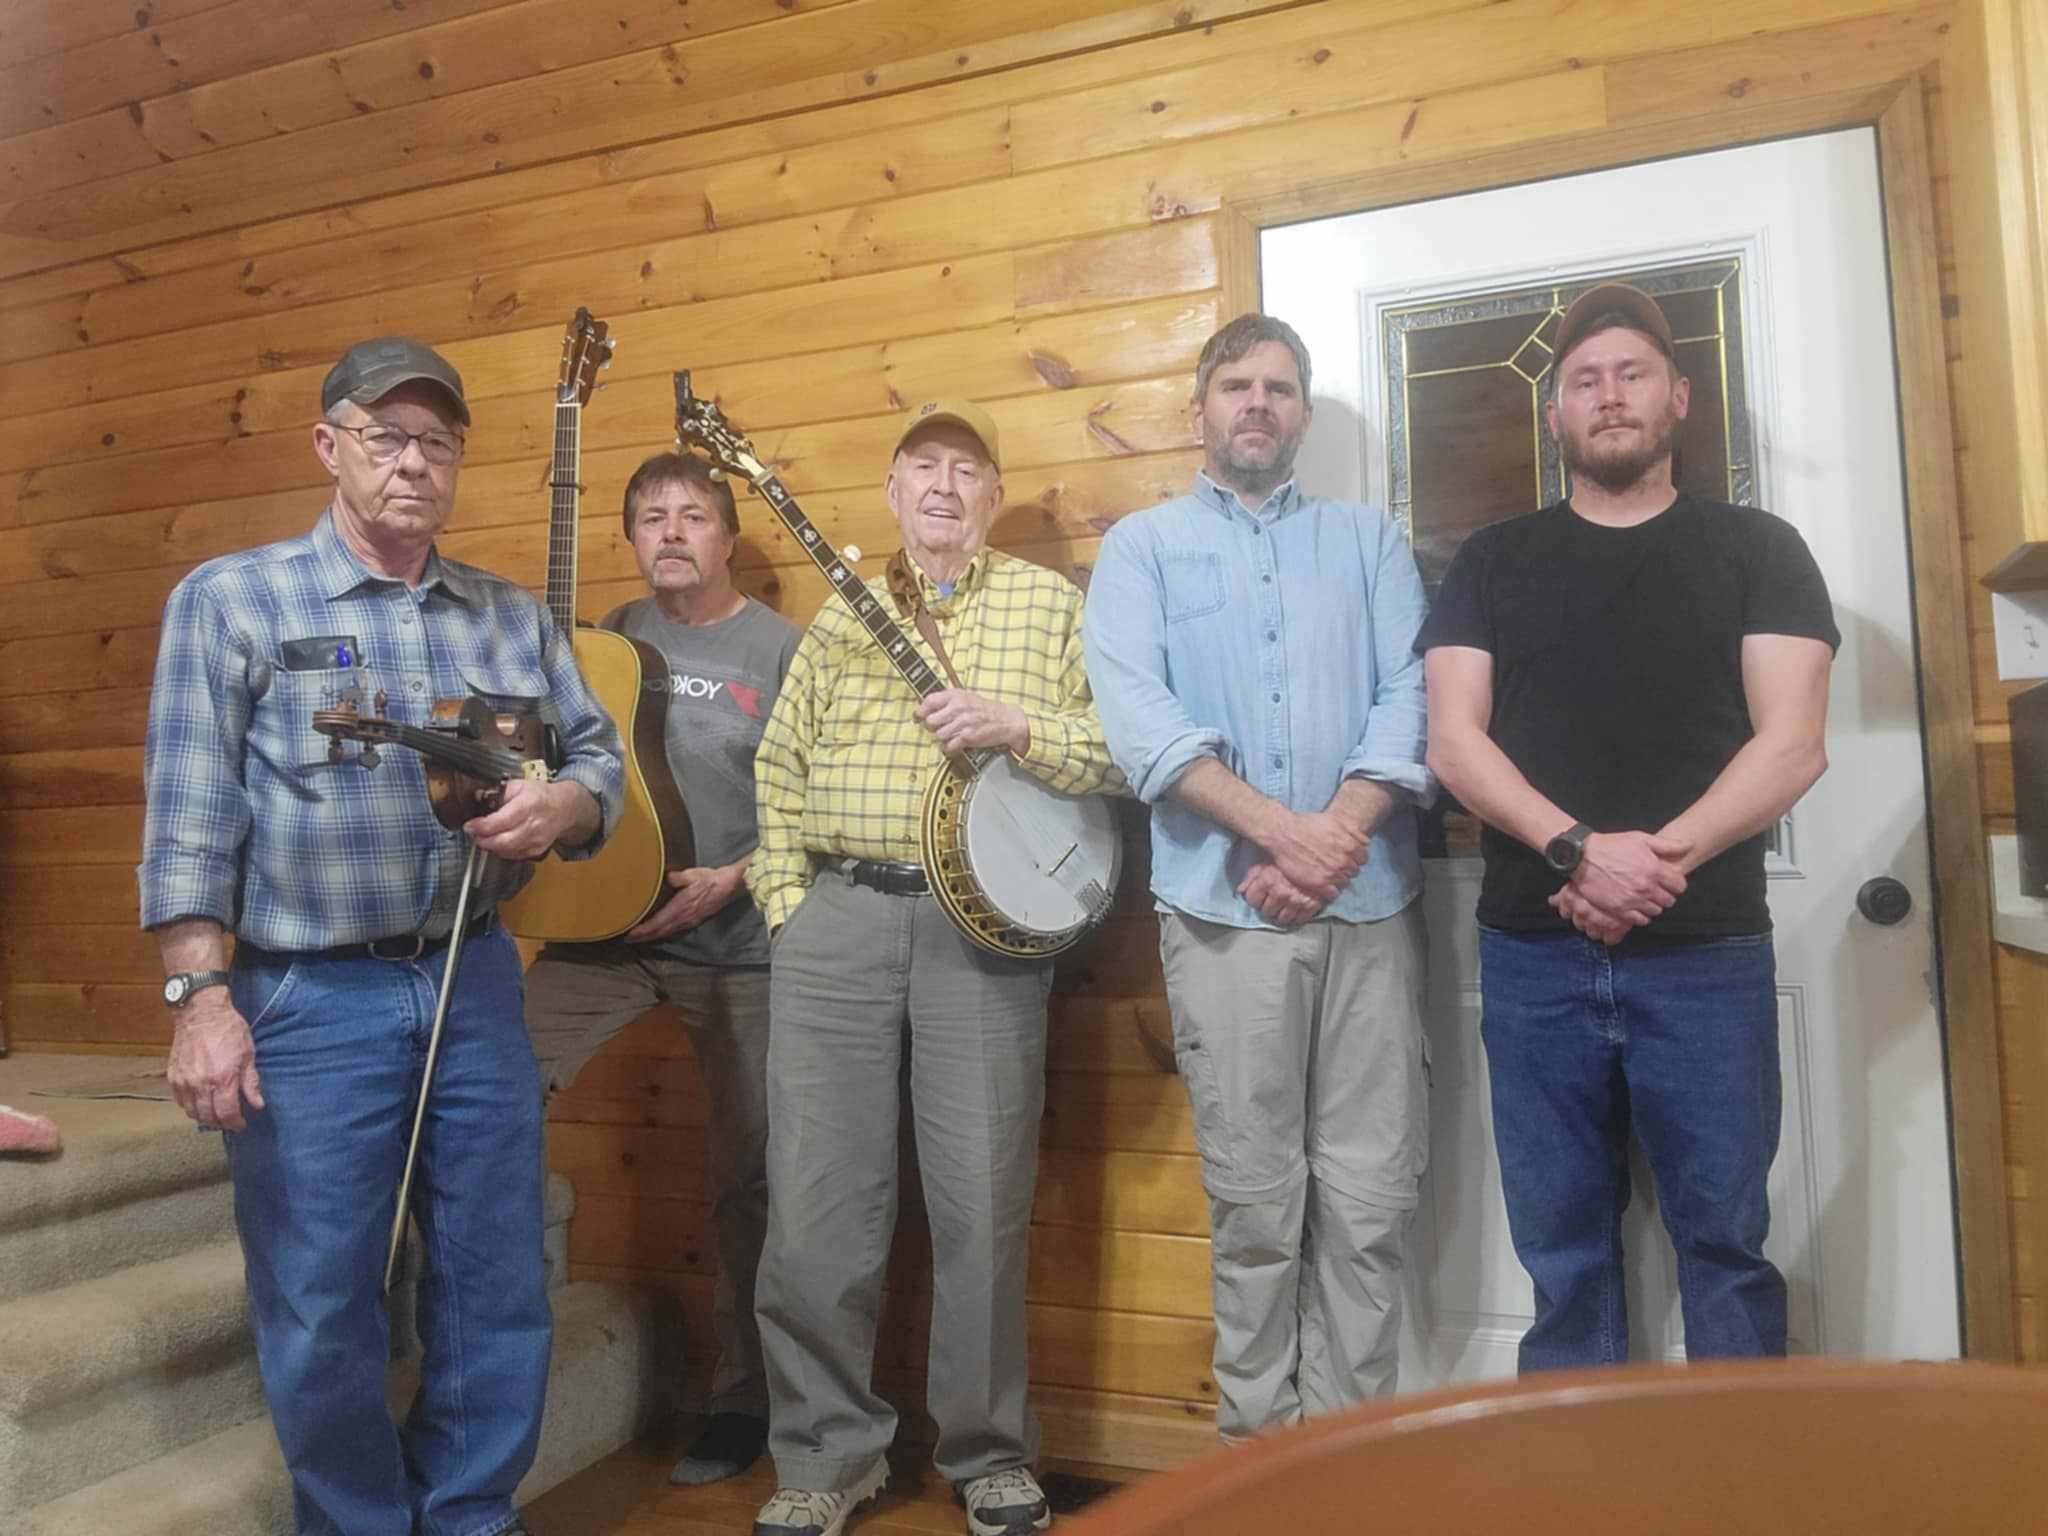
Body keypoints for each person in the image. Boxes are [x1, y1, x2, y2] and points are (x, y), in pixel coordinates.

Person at [139, 336, 625, 1536]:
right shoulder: (232, 600)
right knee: (319, 1296)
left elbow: (599, 760)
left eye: (437, 443)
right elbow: (192, 815)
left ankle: (467, 1515)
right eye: (386, 438)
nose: (414, 463)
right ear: (329, 448)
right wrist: (201, 1000)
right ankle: (353, 1522)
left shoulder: (510, 616)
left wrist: (567, 803)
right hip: (305, 1000)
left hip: (469, 984)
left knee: (492, 1281)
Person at [1417, 282, 1837, 1370]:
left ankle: (1739, 1493)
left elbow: (1790, 743)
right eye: (1584, 381)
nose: (1607, 396)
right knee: (1560, 1252)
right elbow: (1453, 743)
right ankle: (1576, 1492)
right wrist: (1574, 849)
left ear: (1677, 397)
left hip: (1703, 957)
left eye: (1630, 373)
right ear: (1555, 415)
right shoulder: (1489, 562)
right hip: (1530, 956)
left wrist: (1652, 862)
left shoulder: (1758, 549)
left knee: (1723, 1244)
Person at [745, 398, 1121, 1536]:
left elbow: (1118, 749)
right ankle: (824, 1457)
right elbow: (777, 761)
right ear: (895, 494)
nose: (945, 489)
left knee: (982, 1202)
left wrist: (1017, 726)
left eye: (967, 472)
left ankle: (988, 1458)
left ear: (993, 498)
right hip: (837, 929)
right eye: (924, 471)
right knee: (815, 1206)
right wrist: (787, 907)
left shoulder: (1049, 608)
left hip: (986, 942)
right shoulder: (840, 618)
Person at [1081, 313, 1433, 1439]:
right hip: (1220, 917)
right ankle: (1256, 1467)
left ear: (1302, 414)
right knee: (1252, 1204)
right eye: (1234, 385)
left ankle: (1349, 1463)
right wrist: (1287, 835)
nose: (1256, 404)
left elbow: (1410, 696)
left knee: (1369, 1204)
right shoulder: (1140, 550)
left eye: (1278, 388)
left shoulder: (1368, 541)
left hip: (1369, 910)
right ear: (1199, 408)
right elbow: (1142, 723)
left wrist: (1335, 832)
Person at [523, 451, 798, 1486]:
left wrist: (736, 875)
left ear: (727, 537)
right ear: (630, 539)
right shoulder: (595, 643)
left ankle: (743, 1402)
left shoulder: (781, 649)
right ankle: (491, 1349)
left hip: (737, 945)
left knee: (755, 1178)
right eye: (649, 518)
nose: (670, 533)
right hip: (600, 937)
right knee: (486, 1091)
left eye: (692, 516)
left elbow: (814, 802)